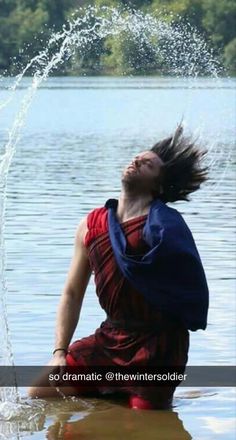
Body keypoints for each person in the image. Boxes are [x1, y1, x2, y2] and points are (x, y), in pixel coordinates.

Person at [28, 124, 209, 409]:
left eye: (147, 163)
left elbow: (190, 287)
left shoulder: (167, 229)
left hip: (157, 346)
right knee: (38, 395)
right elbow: (71, 293)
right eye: (136, 157)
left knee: (142, 425)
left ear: (158, 185)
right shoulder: (91, 225)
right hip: (110, 339)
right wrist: (59, 351)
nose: (136, 160)